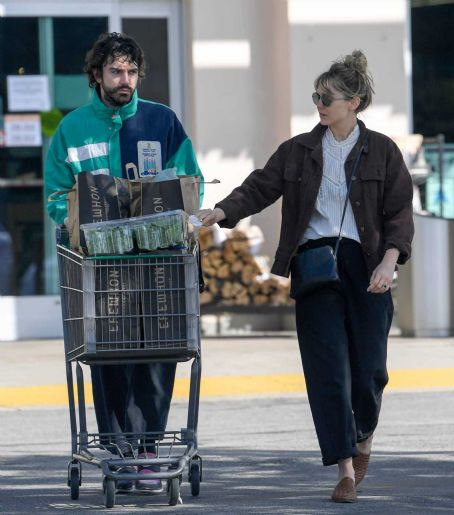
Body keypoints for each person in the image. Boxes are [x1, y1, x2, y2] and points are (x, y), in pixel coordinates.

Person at [198, 50, 413, 503]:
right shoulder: (299, 150)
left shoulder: (384, 152)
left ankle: (363, 438)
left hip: (368, 266)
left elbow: (398, 216)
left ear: (353, 102)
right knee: (327, 371)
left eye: (327, 96)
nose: (319, 102)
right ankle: (344, 469)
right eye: (316, 95)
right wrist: (221, 211)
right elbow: (260, 186)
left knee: (370, 372)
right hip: (315, 267)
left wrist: (389, 262)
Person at [45, 32, 203, 493]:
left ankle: (150, 448)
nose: (125, 80)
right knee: (108, 353)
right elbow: (57, 196)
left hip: (159, 267)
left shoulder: (163, 121)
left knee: (159, 351)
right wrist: (76, 220)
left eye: (132, 72)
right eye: (116, 71)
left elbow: (191, 182)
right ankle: (119, 449)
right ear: (97, 75)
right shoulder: (73, 129)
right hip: (100, 270)